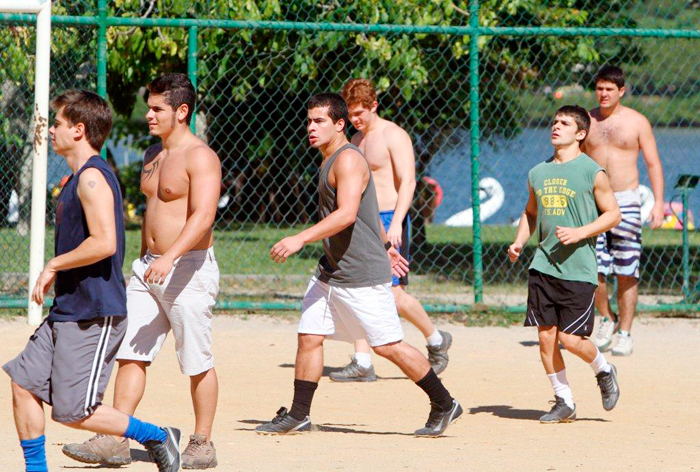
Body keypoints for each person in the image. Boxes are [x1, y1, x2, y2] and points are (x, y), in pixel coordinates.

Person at [255, 93, 462, 437]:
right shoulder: (329, 158)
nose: (311, 127)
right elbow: (368, 210)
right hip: (331, 270)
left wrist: (300, 239)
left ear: (340, 124)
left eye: (319, 121)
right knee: (309, 337)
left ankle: (444, 403)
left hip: (359, 273)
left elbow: (348, 214)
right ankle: (299, 414)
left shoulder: (347, 160)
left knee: (387, 346)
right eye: (308, 121)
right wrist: (386, 246)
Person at [3, 90, 180, 472]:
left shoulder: (93, 179)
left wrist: (53, 265)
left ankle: (157, 436)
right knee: (23, 381)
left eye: (59, 124)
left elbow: (105, 243)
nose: (51, 130)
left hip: (94, 312)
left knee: (72, 412)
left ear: (79, 130)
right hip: (68, 308)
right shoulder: (76, 178)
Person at [63, 74, 222, 469]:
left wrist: (171, 257)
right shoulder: (153, 154)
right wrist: (142, 261)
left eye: (157, 109)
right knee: (130, 352)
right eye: (148, 107)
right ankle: (115, 437)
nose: (148, 115)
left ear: (182, 112)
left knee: (196, 359)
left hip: (188, 269)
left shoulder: (201, 157)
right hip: (147, 269)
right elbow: (153, 216)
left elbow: (203, 216)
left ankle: (203, 443)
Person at [325, 78, 451, 383]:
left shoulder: (393, 135)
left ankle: (436, 339)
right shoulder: (354, 141)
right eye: (350, 114)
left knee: (394, 295)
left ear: (373, 107)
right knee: (354, 288)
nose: (354, 120)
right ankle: (363, 361)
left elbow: (408, 181)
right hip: (361, 220)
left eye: (359, 113)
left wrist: (396, 221)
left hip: (390, 218)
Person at [508, 105, 622, 423]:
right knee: (546, 337)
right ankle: (564, 400)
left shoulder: (591, 171)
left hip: (579, 268)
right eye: (554, 121)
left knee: (571, 340)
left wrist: (580, 232)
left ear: (581, 133)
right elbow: (531, 213)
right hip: (543, 265)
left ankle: (603, 369)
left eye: (565, 123)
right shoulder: (538, 173)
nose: (556, 126)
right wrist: (519, 241)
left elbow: (613, 214)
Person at [582, 65, 665, 356]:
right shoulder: (587, 121)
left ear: (621, 91)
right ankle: (606, 319)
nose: (603, 94)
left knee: (627, 269)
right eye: (599, 88)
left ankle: (626, 332)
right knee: (594, 268)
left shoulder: (637, 122)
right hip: (593, 200)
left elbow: (653, 163)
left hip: (627, 200)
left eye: (609, 89)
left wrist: (658, 204)